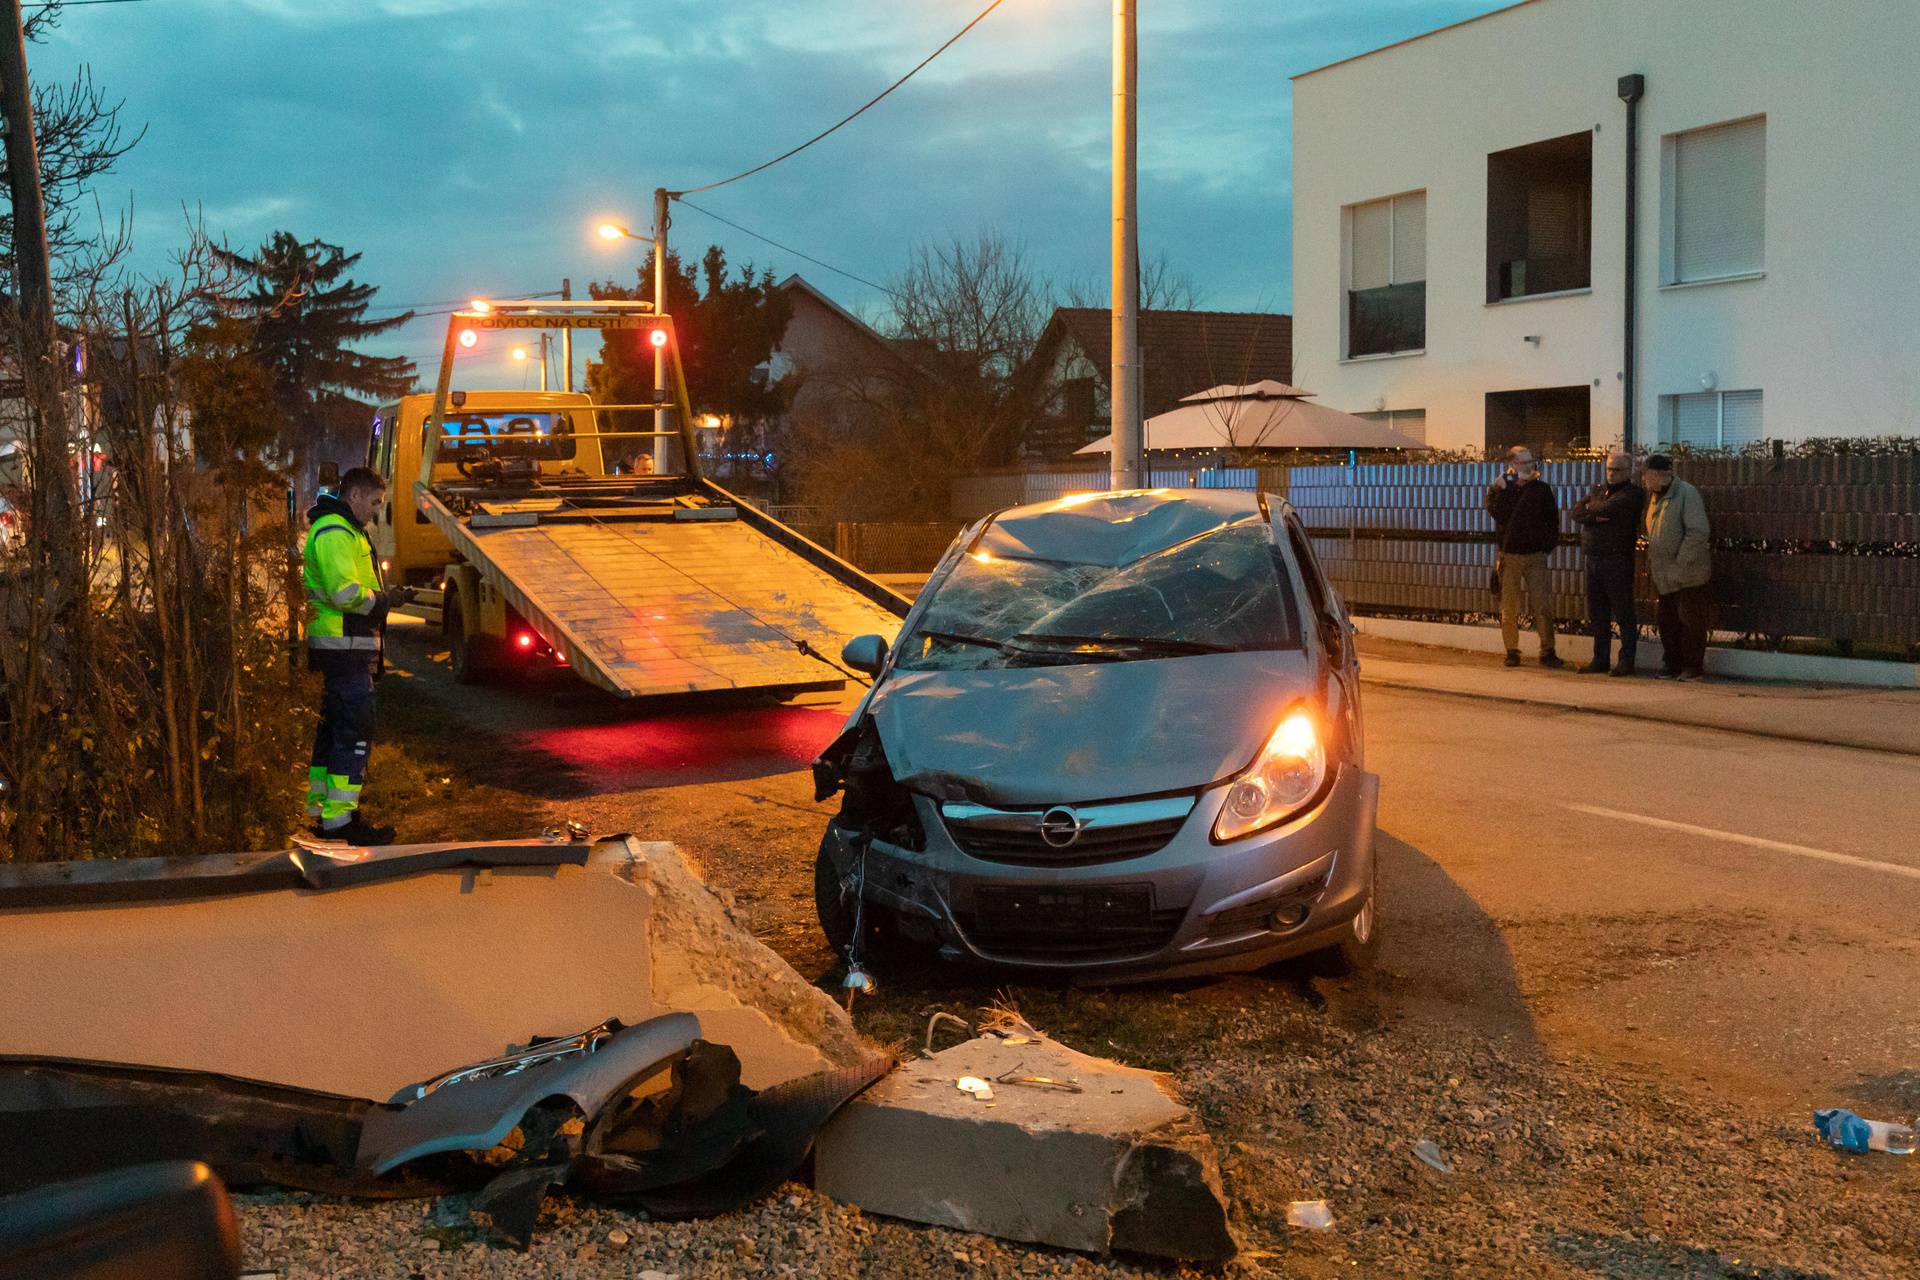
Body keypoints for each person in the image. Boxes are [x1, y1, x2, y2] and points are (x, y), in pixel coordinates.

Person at [302, 466, 396, 844]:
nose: (375, 510)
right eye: (373, 502)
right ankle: (341, 823)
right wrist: (382, 602)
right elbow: (345, 595)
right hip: (343, 649)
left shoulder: (340, 530)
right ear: (354, 495)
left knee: (333, 734)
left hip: (341, 648)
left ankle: (323, 815)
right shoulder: (337, 533)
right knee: (353, 733)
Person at [1484, 447, 1563, 669]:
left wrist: (1546, 546)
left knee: (1542, 605)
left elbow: (1552, 520)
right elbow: (1498, 514)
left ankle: (1548, 650)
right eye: (1524, 462)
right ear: (1512, 464)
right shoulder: (1502, 490)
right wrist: (1503, 489)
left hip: (1535, 554)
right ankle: (1512, 650)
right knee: (1509, 606)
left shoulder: (1541, 489)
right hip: (1510, 554)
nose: (1529, 466)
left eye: (1531, 461)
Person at [1572, 451, 1645, 675]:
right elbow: (1576, 512)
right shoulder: (1598, 490)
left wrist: (1593, 511)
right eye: (1609, 469)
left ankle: (1626, 660)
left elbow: (1607, 508)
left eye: (1617, 470)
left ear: (1629, 471)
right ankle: (1600, 658)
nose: (1611, 474)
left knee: (1623, 612)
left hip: (1617, 560)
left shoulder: (1633, 494)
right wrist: (1596, 515)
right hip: (1593, 558)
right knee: (1598, 612)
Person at [1642, 453, 1712, 681]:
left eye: (1647, 476)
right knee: (1667, 620)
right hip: (1665, 575)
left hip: (1687, 574)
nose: (1645, 481)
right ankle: (1672, 663)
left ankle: (1693, 666)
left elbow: (1698, 531)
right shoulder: (1655, 497)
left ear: (1661, 475)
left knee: (1690, 621)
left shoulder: (1686, 494)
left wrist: (1680, 561)